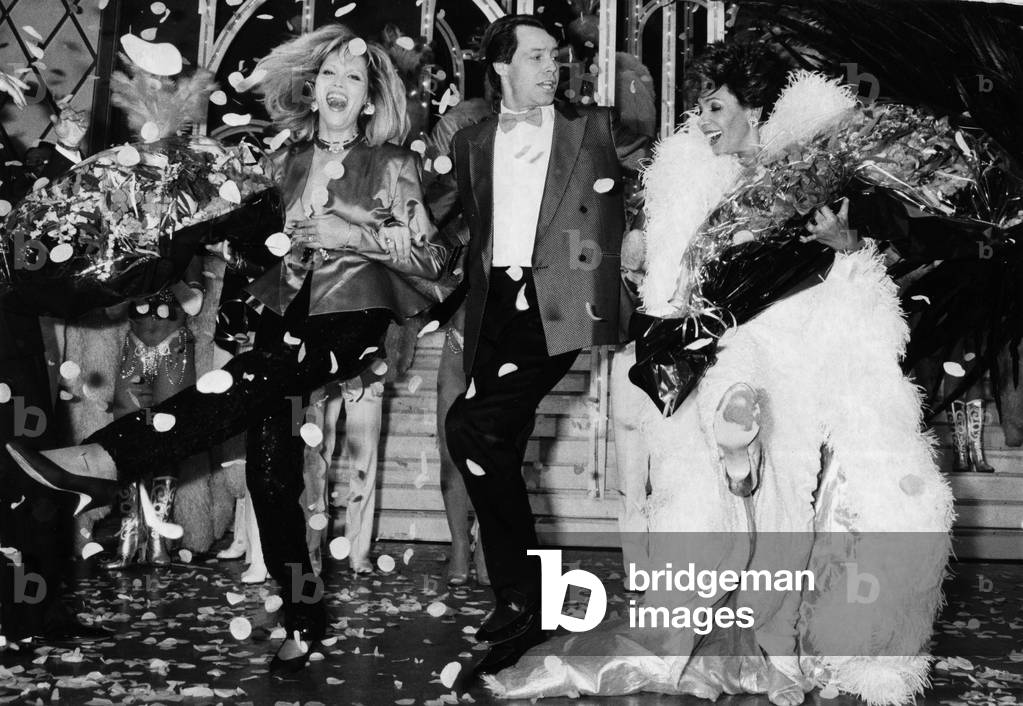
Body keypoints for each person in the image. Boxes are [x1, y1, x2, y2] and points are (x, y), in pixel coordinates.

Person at [484, 42, 954, 706]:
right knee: (742, 487)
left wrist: (844, 248)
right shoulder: (695, 188)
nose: (701, 122)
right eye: (698, 109)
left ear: (753, 105)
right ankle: (736, 454)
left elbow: (872, 277)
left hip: (810, 358)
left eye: (713, 106)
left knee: (790, 506)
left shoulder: (821, 176)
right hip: (736, 354)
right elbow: (677, 292)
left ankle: (785, 652)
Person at [4, 23, 449, 673]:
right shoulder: (279, 159)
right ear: (312, 84)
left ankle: (102, 460)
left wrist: (374, 240)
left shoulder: (394, 165)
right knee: (272, 477)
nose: (337, 86)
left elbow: (428, 261)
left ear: (372, 99)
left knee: (243, 393)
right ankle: (305, 618)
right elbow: (242, 242)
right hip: (278, 318)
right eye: (328, 74)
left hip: (347, 317)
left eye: (353, 78)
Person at [433, 13, 646, 676]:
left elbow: (666, 176)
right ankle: (526, 598)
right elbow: (446, 223)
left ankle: (524, 598)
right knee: (489, 443)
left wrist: (638, 237)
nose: (551, 69)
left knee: (470, 426)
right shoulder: (471, 140)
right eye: (535, 58)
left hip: (559, 302)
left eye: (554, 57)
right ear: (500, 68)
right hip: (492, 301)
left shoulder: (597, 127)